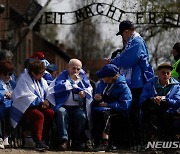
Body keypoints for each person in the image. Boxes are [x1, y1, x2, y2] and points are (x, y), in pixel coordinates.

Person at [105, 20, 154, 144]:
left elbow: (127, 59)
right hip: (132, 82)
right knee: (131, 113)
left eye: (122, 34)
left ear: (126, 32)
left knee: (134, 113)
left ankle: (138, 142)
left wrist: (113, 61)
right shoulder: (133, 41)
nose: (122, 37)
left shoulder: (136, 42)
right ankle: (130, 142)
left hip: (136, 83)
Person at [46, 59, 93, 151]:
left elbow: (89, 89)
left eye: (78, 69)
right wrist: (71, 82)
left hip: (77, 107)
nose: (76, 71)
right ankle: (64, 141)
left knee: (82, 116)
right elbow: (56, 88)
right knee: (61, 113)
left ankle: (76, 142)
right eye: (73, 68)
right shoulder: (62, 76)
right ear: (68, 68)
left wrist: (84, 93)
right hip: (63, 105)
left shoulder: (83, 77)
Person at [10, 59, 54, 152]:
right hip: (25, 107)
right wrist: (40, 102)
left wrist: (47, 101)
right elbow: (24, 95)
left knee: (50, 113)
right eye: (40, 73)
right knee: (39, 116)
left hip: (40, 105)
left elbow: (48, 92)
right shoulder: (23, 79)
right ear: (33, 73)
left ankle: (45, 139)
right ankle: (38, 141)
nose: (42, 75)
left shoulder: (42, 80)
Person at [92, 64, 132, 152]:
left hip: (119, 111)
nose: (101, 78)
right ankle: (96, 141)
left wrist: (108, 105)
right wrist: (96, 98)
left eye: (103, 76)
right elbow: (97, 96)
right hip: (103, 108)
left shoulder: (122, 86)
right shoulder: (102, 83)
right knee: (95, 112)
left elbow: (125, 105)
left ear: (110, 77)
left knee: (105, 114)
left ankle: (105, 142)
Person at [140, 62, 180, 141]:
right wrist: (153, 99)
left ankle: (168, 143)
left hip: (169, 110)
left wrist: (165, 99)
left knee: (168, 118)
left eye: (168, 73)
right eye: (163, 73)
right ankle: (152, 142)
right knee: (152, 118)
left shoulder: (176, 86)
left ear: (170, 75)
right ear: (158, 74)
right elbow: (142, 100)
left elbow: (177, 102)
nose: (165, 75)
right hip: (153, 109)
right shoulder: (150, 84)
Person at [0, 60, 16, 149]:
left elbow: (19, 93)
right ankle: (0, 138)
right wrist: (4, 94)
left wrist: (13, 95)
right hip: (1, 105)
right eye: (4, 74)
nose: (7, 76)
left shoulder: (13, 83)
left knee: (15, 112)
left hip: (11, 106)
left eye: (9, 74)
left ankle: (6, 136)